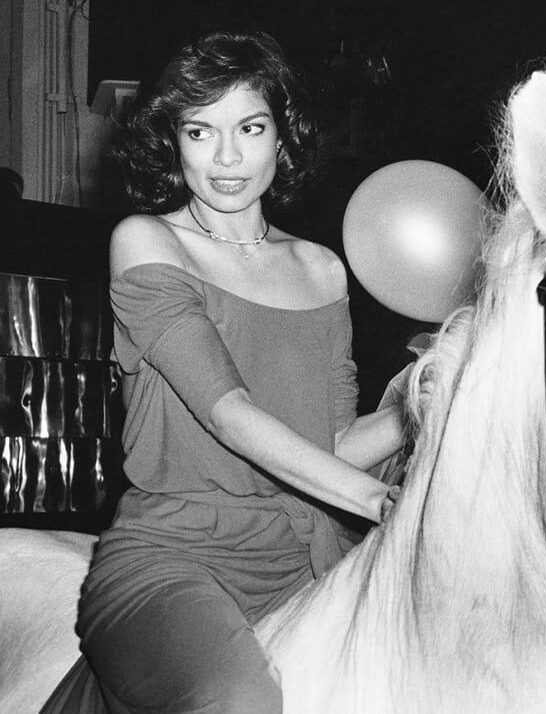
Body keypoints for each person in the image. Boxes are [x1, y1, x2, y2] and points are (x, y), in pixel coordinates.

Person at [42, 30, 404, 713]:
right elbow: (227, 411)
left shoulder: (322, 269)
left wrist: (418, 407)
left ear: (281, 135)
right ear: (174, 143)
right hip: (174, 560)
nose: (229, 156)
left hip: (303, 559)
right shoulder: (148, 241)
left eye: (251, 127)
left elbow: (326, 450)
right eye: (201, 131)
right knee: (242, 702)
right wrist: (381, 502)